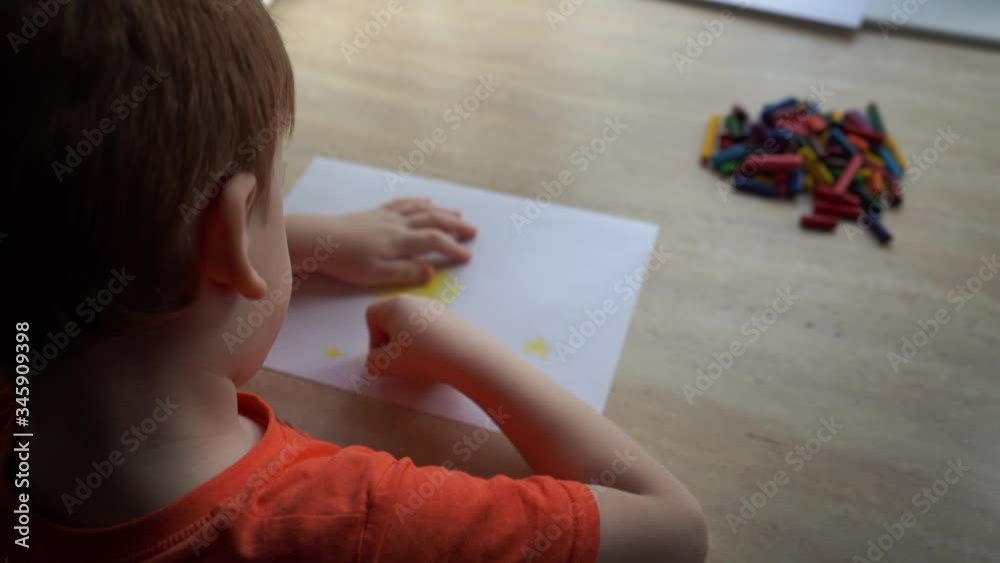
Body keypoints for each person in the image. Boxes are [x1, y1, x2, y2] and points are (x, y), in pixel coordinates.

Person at [1, 1, 706, 561]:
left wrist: (301, 241)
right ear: (230, 234)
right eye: (279, 199)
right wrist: (454, 347)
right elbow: (672, 531)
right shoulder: (350, 524)